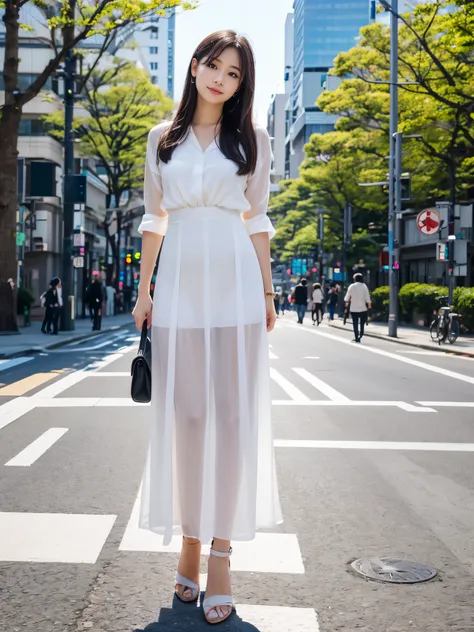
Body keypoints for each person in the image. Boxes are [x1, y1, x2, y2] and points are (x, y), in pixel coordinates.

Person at [132, 31, 282, 626]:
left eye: (234, 73)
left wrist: (270, 292)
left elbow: (259, 217)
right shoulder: (159, 140)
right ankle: (189, 544)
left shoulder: (253, 139)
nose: (220, 78)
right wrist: (144, 291)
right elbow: (152, 217)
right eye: (212, 65)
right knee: (187, 417)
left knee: (232, 417)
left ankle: (220, 554)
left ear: (242, 84)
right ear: (194, 67)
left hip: (237, 282)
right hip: (179, 288)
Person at [344, 272, 371, 342]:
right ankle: (361, 334)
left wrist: (349, 299)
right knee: (362, 323)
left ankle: (356, 337)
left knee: (355, 323)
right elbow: (367, 298)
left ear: (355, 279)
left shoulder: (352, 286)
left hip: (354, 308)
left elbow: (346, 298)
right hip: (363, 308)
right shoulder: (364, 286)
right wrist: (369, 305)